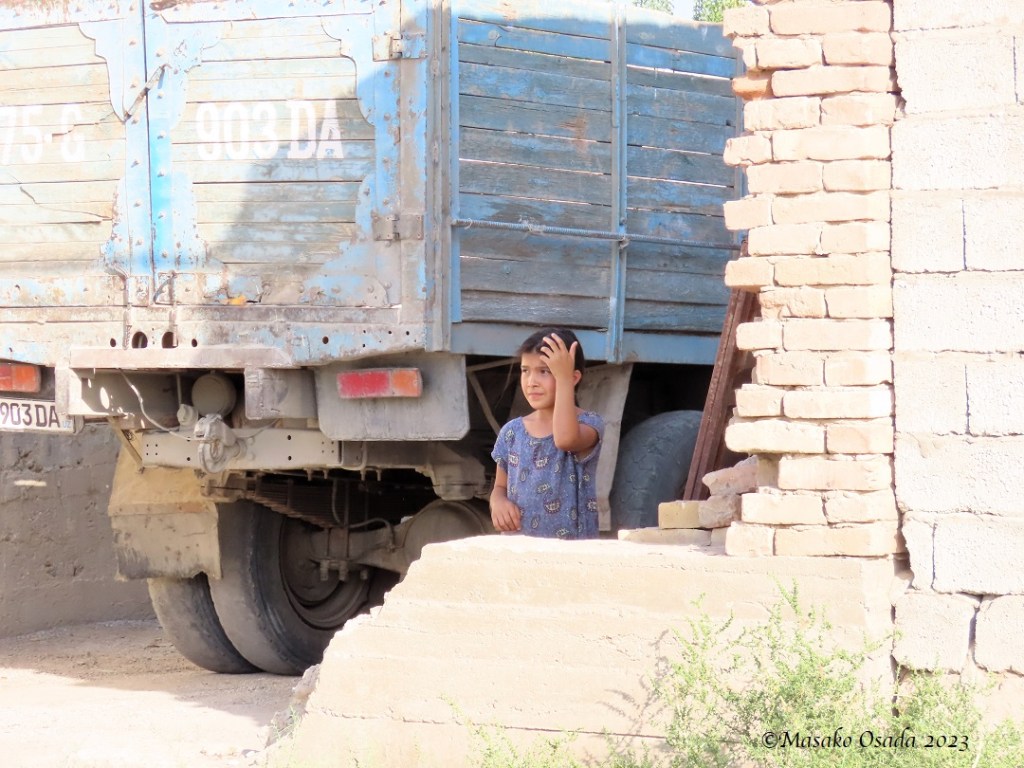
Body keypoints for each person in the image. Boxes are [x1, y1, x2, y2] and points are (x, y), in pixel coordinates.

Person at [489, 328, 604, 539]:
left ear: (573, 377)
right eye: (525, 370)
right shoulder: (512, 432)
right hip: (521, 553)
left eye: (544, 371)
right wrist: (497, 502)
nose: (531, 381)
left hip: (571, 557)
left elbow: (565, 439)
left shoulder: (589, 423)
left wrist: (563, 380)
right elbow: (499, 486)